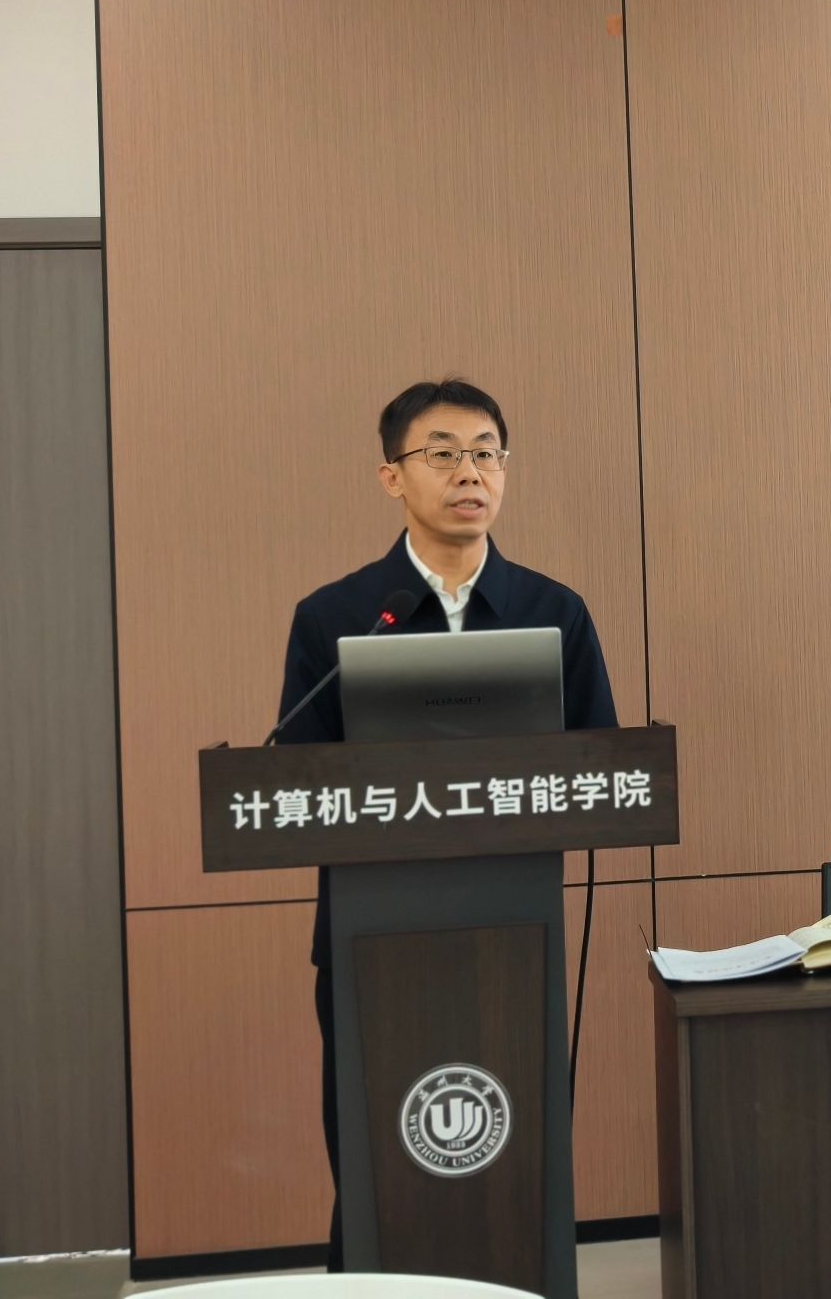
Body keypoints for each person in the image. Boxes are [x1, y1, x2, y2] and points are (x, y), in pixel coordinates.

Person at [272, 377, 617, 1271]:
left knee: (512, 1148)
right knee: (376, 1150)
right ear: (392, 477)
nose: (471, 472)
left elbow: (603, 765)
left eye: (487, 454)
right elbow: (295, 780)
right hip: (368, 938)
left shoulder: (554, 611)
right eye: (444, 454)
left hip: (514, 932)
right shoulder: (337, 616)